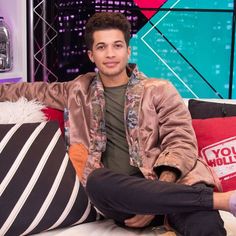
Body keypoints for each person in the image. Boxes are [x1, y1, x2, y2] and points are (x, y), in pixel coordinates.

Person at [0, 12, 235, 236]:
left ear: (128, 51)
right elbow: (24, 89)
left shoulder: (160, 89)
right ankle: (223, 201)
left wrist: (155, 199)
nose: (110, 53)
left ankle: (210, 202)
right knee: (97, 181)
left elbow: (181, 142)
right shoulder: (77, 91)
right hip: (121, 199)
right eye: (102, 47)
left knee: (207, 227)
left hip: (175, 187)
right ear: (91, 55)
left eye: (117, 45)